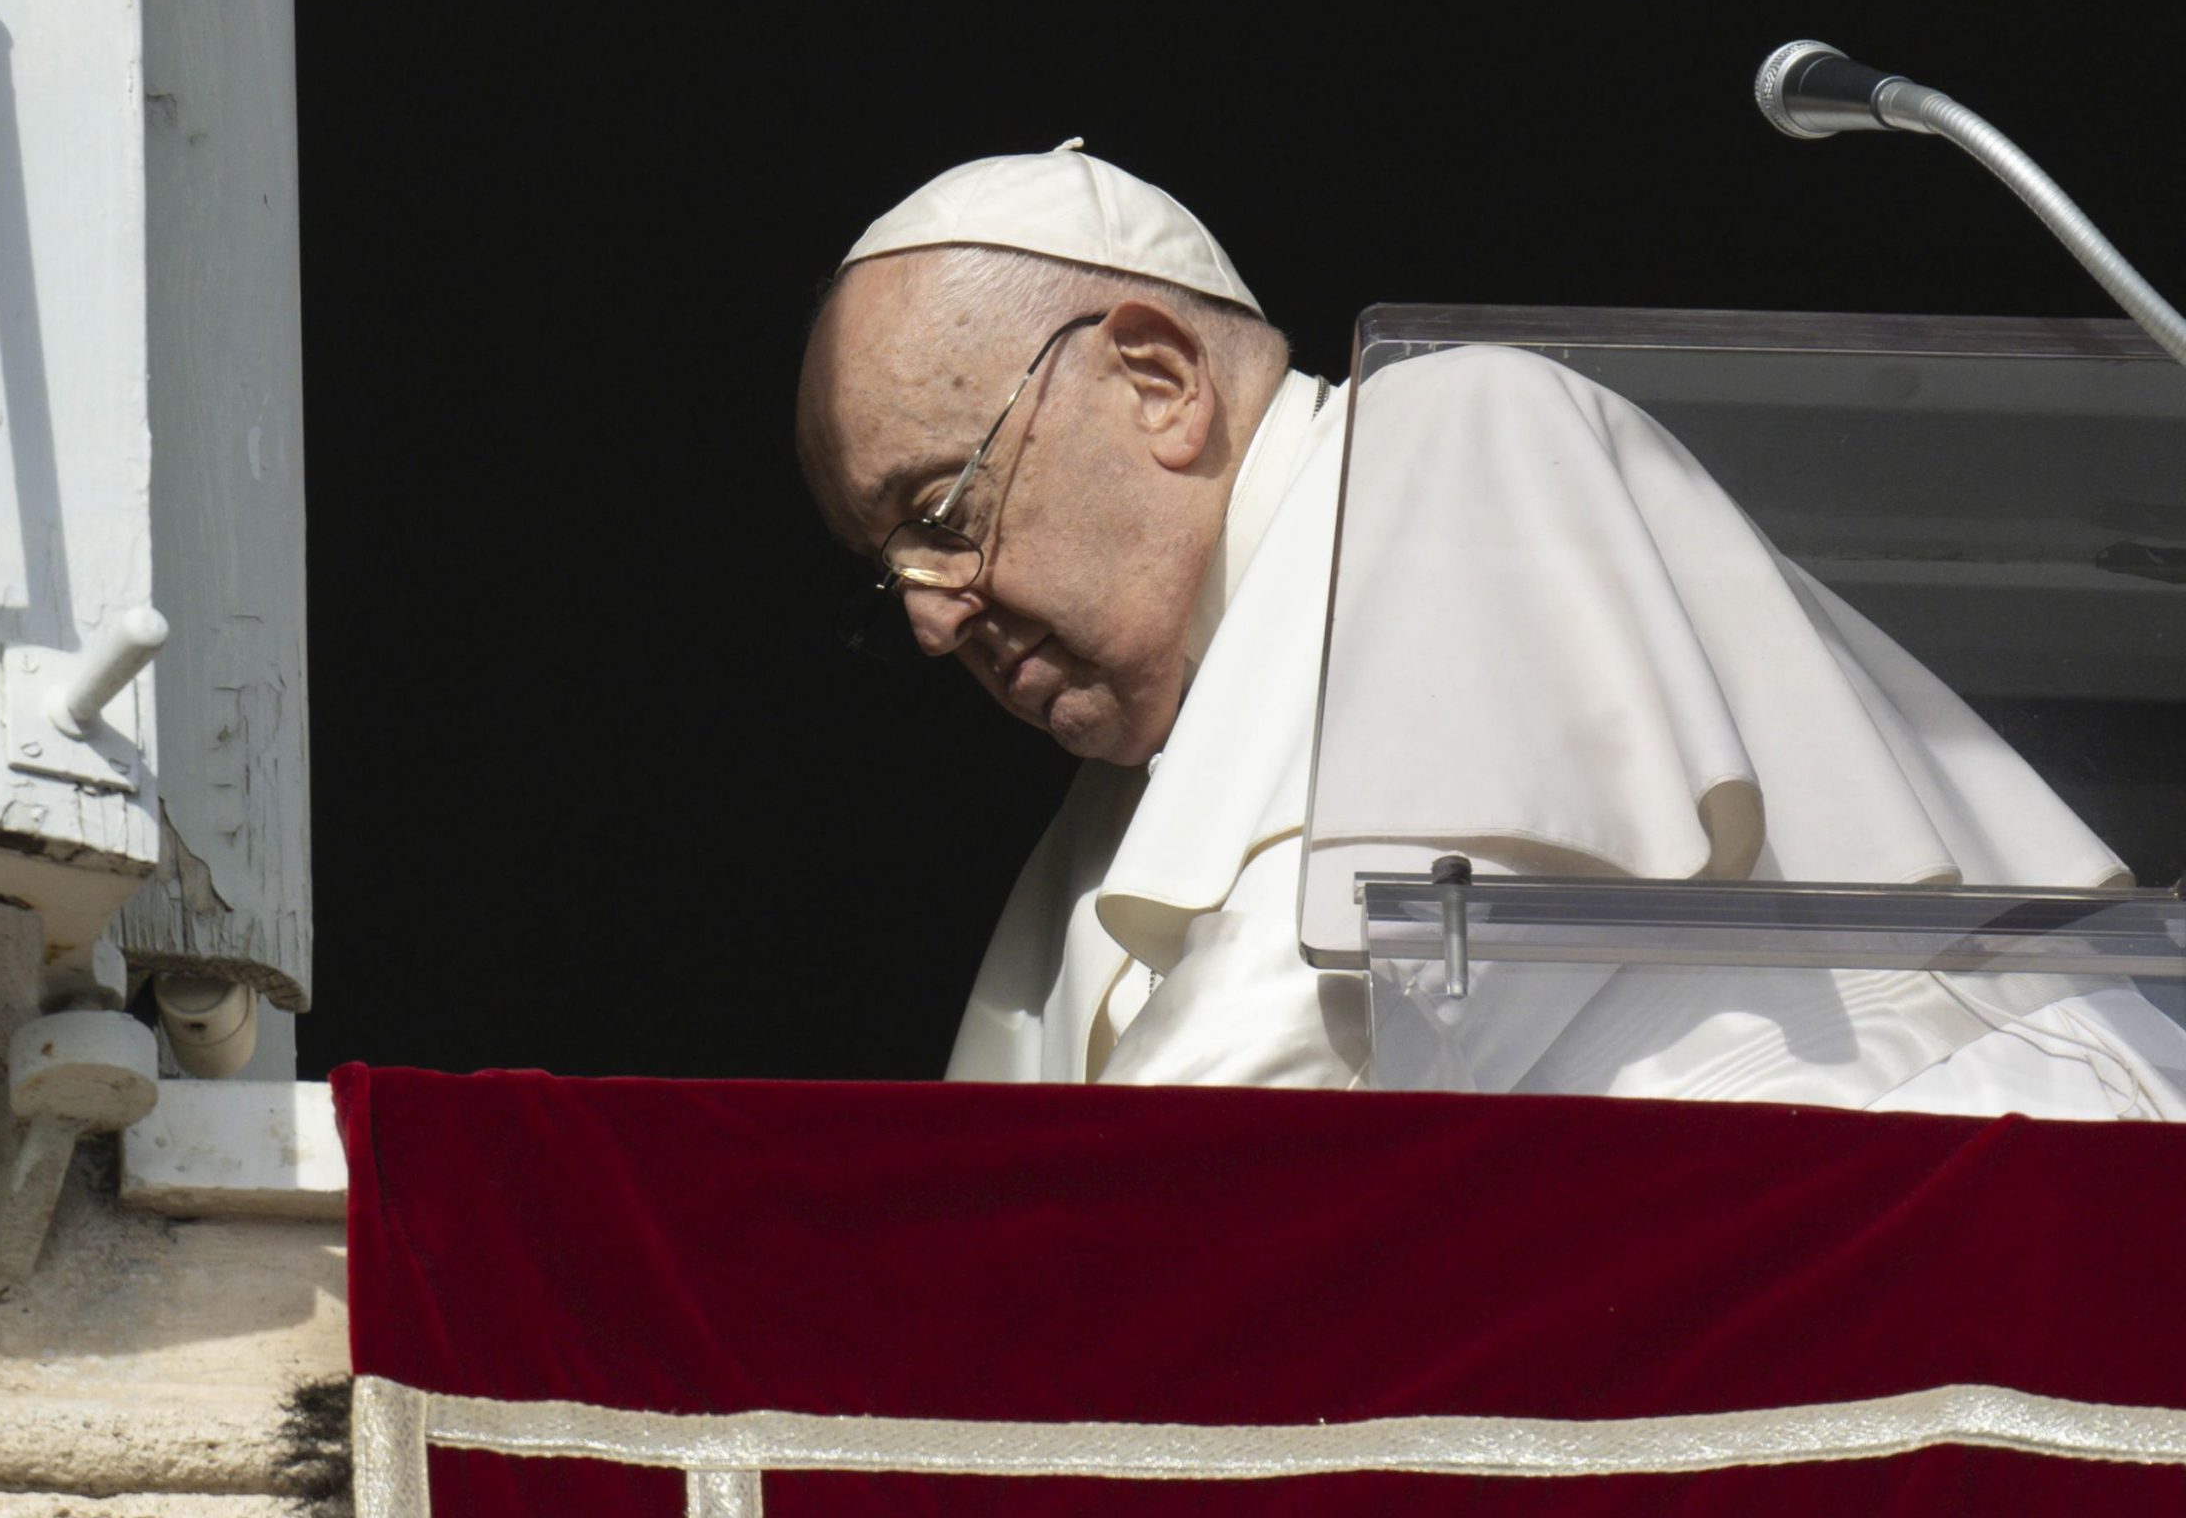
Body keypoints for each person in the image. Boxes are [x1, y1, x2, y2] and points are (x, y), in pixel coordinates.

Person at [796, 141, 2186, 1118]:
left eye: (944, 506)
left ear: (1160, 380)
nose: (931, 616)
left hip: (1969, 1240)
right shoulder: (1105, 820)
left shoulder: (1452, 439)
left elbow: (1297, 1061)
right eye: (887, 571)